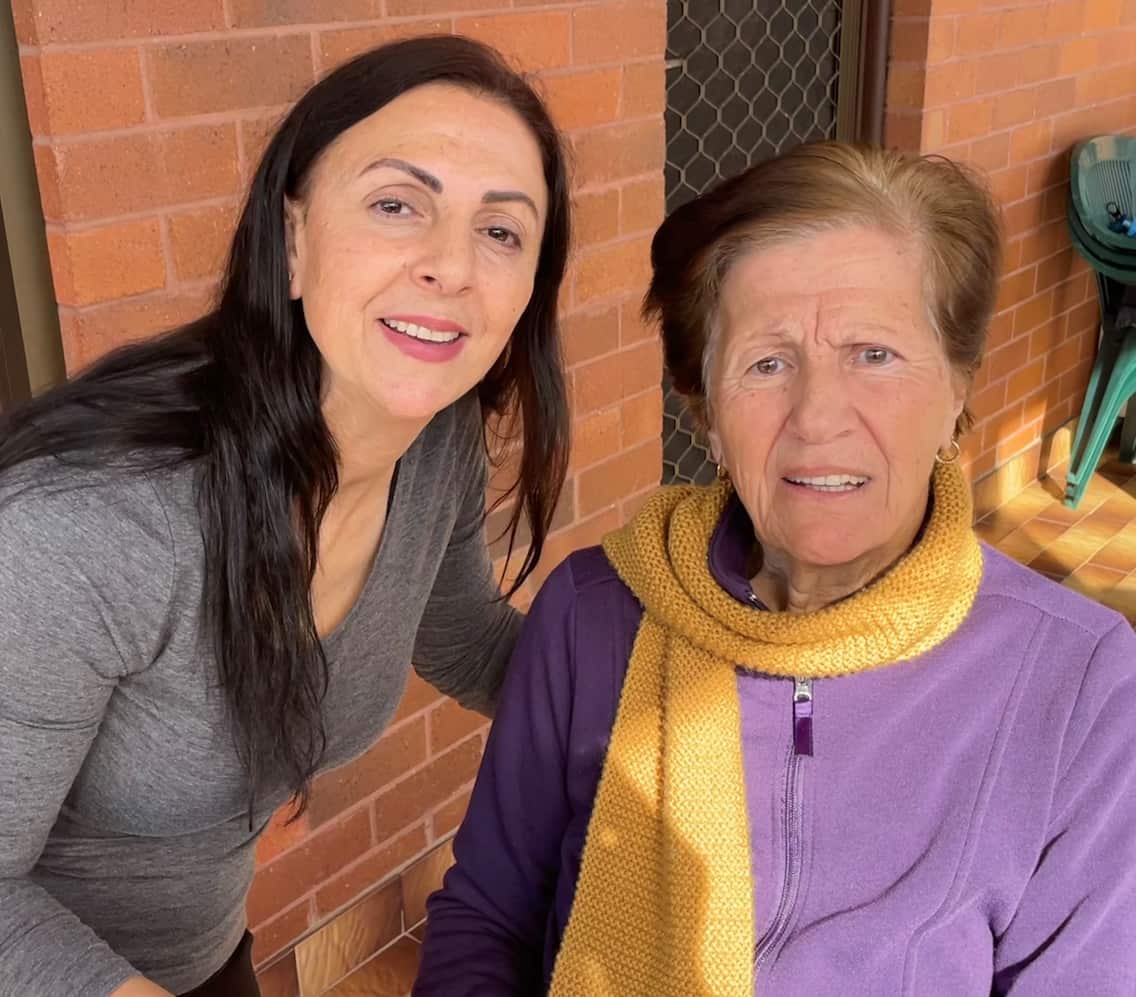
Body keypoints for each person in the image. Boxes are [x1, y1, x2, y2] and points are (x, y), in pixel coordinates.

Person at [0, 34, 572, 997]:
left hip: (180, 946)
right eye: (398, 204)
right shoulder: (87, 526)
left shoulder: (436, 449)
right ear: (292, 242)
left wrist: (674, 696)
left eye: (501, 230)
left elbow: (466, 640)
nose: (452, 265)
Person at [415, 142, 1136, 996]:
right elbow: (488, 918)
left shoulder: (1082, 686)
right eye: (766, 362)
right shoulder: (590, 613)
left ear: (956, 391)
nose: (818, 416)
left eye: (873, 353)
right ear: (706, 413)